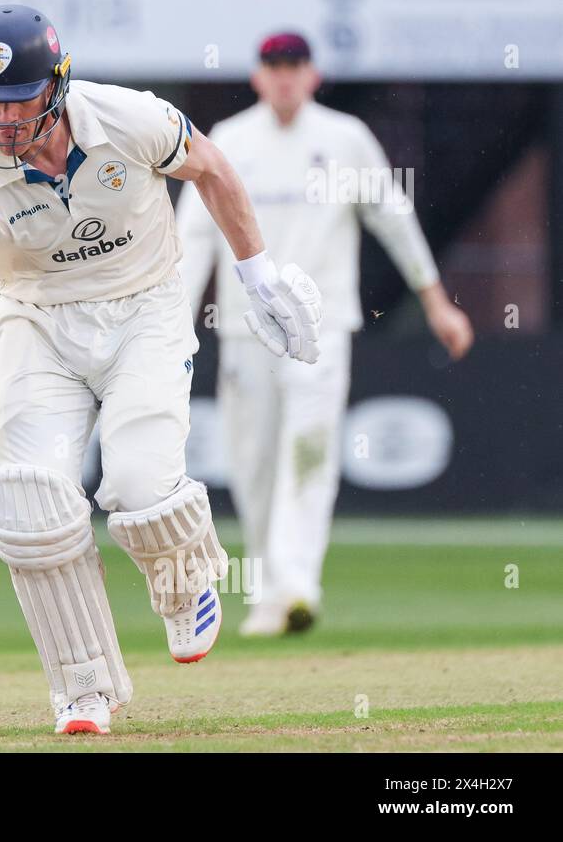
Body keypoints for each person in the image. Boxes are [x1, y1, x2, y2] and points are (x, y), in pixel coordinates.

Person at [0, 5, 322, 735]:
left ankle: (184, 583)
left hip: (144, 306)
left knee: (141, 483)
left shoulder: (129, 117)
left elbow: (210, 168)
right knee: (28, 502)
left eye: (19, 99)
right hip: (37, 322)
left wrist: (259, 275)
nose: (4, 119)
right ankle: (83, 685)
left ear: (56, 85)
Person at [175, 32, 474, 638]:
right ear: (258, 76)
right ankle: (268, 593)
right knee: (253, 460)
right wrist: (173, 330)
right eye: (273, 67)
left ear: (312, 75)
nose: (284, 78)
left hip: (321, 327)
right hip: (245, 328)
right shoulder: (228, 141)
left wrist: (437, 303)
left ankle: (297, 585)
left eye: (295, 66)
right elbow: (194, 241)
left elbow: (394, 221)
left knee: (309, 451)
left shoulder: (344, 139)